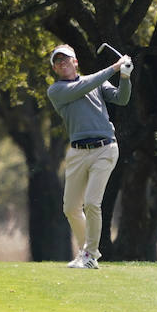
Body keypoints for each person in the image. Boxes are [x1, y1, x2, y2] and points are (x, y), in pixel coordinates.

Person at [46, 43, 132, 269]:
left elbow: (121, 99)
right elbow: (83, 86)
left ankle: (90, 255)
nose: (62, 63)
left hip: (105, 149)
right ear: (55, 69)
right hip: (77, 152)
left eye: (66, 59)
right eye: (58, 61)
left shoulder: (97, 82)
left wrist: (125, 76)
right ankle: (86, 253)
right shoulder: (56, 91)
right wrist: (114, 67)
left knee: (93, 203)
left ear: (75, 62)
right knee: (71, 208)